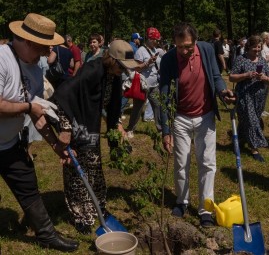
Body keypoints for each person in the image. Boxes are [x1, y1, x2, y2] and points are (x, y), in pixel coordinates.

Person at [0, 13, 78, 252]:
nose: (47, 54)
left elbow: (37, 114)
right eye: (44, 48)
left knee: (28, 185)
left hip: (9, 143)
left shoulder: (34, 70)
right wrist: (27, 107)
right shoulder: (2, 59)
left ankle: (46, 235)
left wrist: (57, 146)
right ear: (29, 42)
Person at [51, 40, 138, 234]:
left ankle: (98, 208)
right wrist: (65, 129)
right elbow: (63, 95)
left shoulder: (113, 76)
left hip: (90, 127)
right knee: (76, 172)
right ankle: (79, 214)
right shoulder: (92, 71)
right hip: (74, 124)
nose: (124, 71)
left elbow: (113, 107)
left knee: (95, 168)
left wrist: (116, 126)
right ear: (112, 60)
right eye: (122, 66)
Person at [160, 22, 234, 227]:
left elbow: (216, 77)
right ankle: (182, 201)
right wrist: (166, 131)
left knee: (207, 162)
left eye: (188, 46)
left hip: (205, 115)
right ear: (174, 42)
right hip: (181, 118)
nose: (184, 51)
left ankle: (205, 209)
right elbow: (164, 97)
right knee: (181, 162)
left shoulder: (207, 50)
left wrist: (223, 92)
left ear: (195, 41)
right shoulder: (168, 60)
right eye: (180, 46)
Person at [229, 35, 269, 163]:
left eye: (259, 48)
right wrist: (246, 75)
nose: (257, 50)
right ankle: (255, 148)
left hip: (259, 97)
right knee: (252, 120)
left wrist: (264, 78)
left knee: (247, 119)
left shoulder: (262, 61)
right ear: (248, 47)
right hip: (244, 95)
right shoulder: (241, 59)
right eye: (255, 48)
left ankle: (238, 140)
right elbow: (231, 77)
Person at [126, 27, 162, 138]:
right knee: (138, 108)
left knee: (157, 106)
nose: (157, 42)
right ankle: (130, 129)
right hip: (143, 85)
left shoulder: (155, 50)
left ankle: (160, 129)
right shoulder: (141, 51)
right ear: (150, 39)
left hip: (154, 85)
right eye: (156, 40)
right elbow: (137, 68)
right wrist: (148, 63)